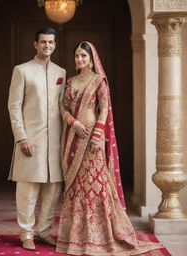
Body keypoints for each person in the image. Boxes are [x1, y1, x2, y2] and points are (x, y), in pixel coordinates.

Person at [56, 41, 163, 255]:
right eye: (77, 56)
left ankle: (101, 236)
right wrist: (73, 123)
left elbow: (104, 108)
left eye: (83, 56)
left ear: (92, 58)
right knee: (77, 186)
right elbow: (64, 107)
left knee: (96, 185)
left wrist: (97, 134)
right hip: (73, 138)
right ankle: (76, 238)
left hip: (92, 138)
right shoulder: (71, 81)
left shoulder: (98, 81)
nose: (79, 60)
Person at [8, 27, 66, 251]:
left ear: (55, 44)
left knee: (52, 192)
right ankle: (26, 234)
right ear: (35, 44)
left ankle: (43, 232)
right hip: (30, 141)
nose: (47, 46)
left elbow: (63, 107)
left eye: (51, 42)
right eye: (43, 42)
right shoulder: (22, 71)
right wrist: (21, 138)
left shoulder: (61, 72)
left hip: (55, 143)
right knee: (27, 192)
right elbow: (13, 107)